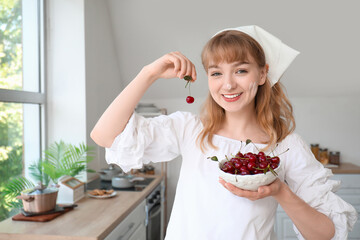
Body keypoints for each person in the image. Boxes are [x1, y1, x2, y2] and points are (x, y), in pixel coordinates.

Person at [90, 25, 357, 240]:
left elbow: (325, 233)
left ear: (262, 74)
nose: (228, 84)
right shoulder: (191, 130)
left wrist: (279, 191)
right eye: (216, 73)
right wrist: (148, 74)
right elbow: (105, 136)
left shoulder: (285, 146)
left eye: (241, 70)